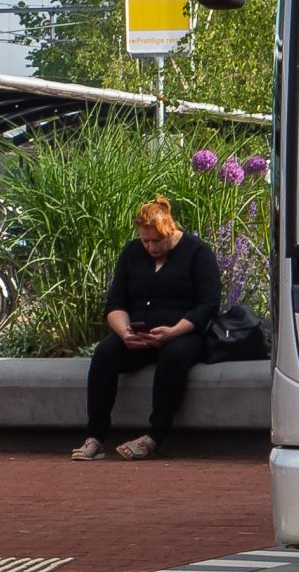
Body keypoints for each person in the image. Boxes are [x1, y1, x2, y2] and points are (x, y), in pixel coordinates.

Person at [74, 195, 222, 462]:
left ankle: (155, 435)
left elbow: (208, 304)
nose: (151, 246)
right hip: (140, 332)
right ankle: (96, 436)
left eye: (157, 240)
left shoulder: (197, 252)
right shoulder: (132, 252)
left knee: (174, 357)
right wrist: (125, 332)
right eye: (145, 240)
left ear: (170, 230)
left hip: (183, 331)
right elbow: (115, 303)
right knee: (105, 353)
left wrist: (173, 331)